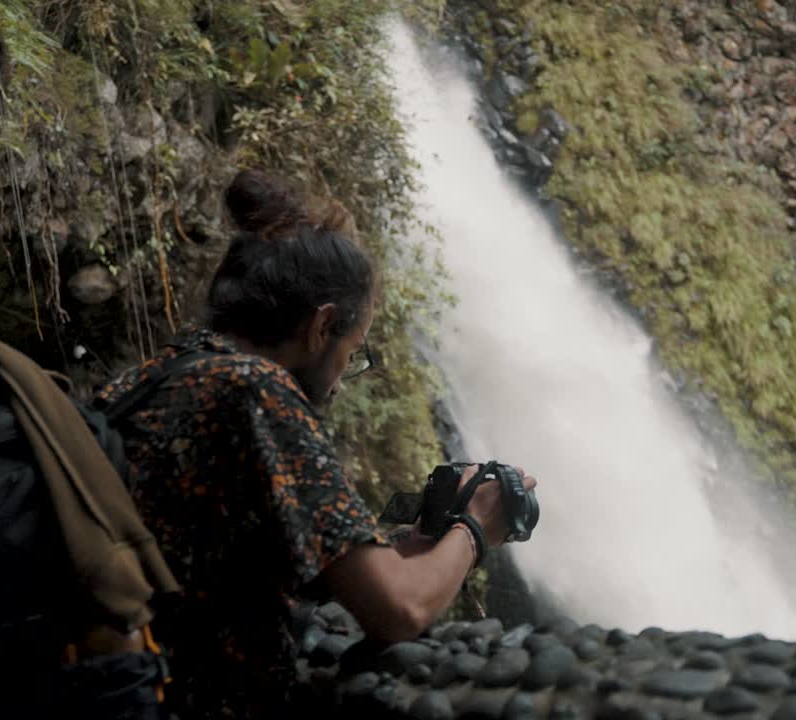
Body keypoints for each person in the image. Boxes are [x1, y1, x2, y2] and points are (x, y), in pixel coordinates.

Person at [93, 169, 538, 719]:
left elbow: (219, 559)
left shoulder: (157, 375)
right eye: (354, 351)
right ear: (321, 326)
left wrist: (406, 546)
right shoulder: (257, 393)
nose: (343, 372)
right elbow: (400, 609)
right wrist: (476, 524)